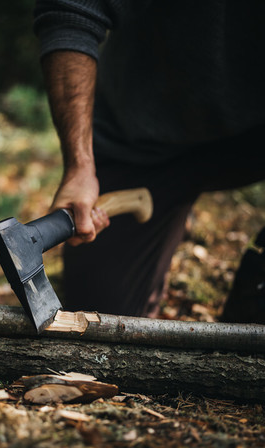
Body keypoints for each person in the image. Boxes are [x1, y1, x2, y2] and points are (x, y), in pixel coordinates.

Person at [33, 1, 265, 319]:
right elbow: (69, 12)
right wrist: (80, 165)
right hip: (139, 134)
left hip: (254, 133)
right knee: (100, 325)